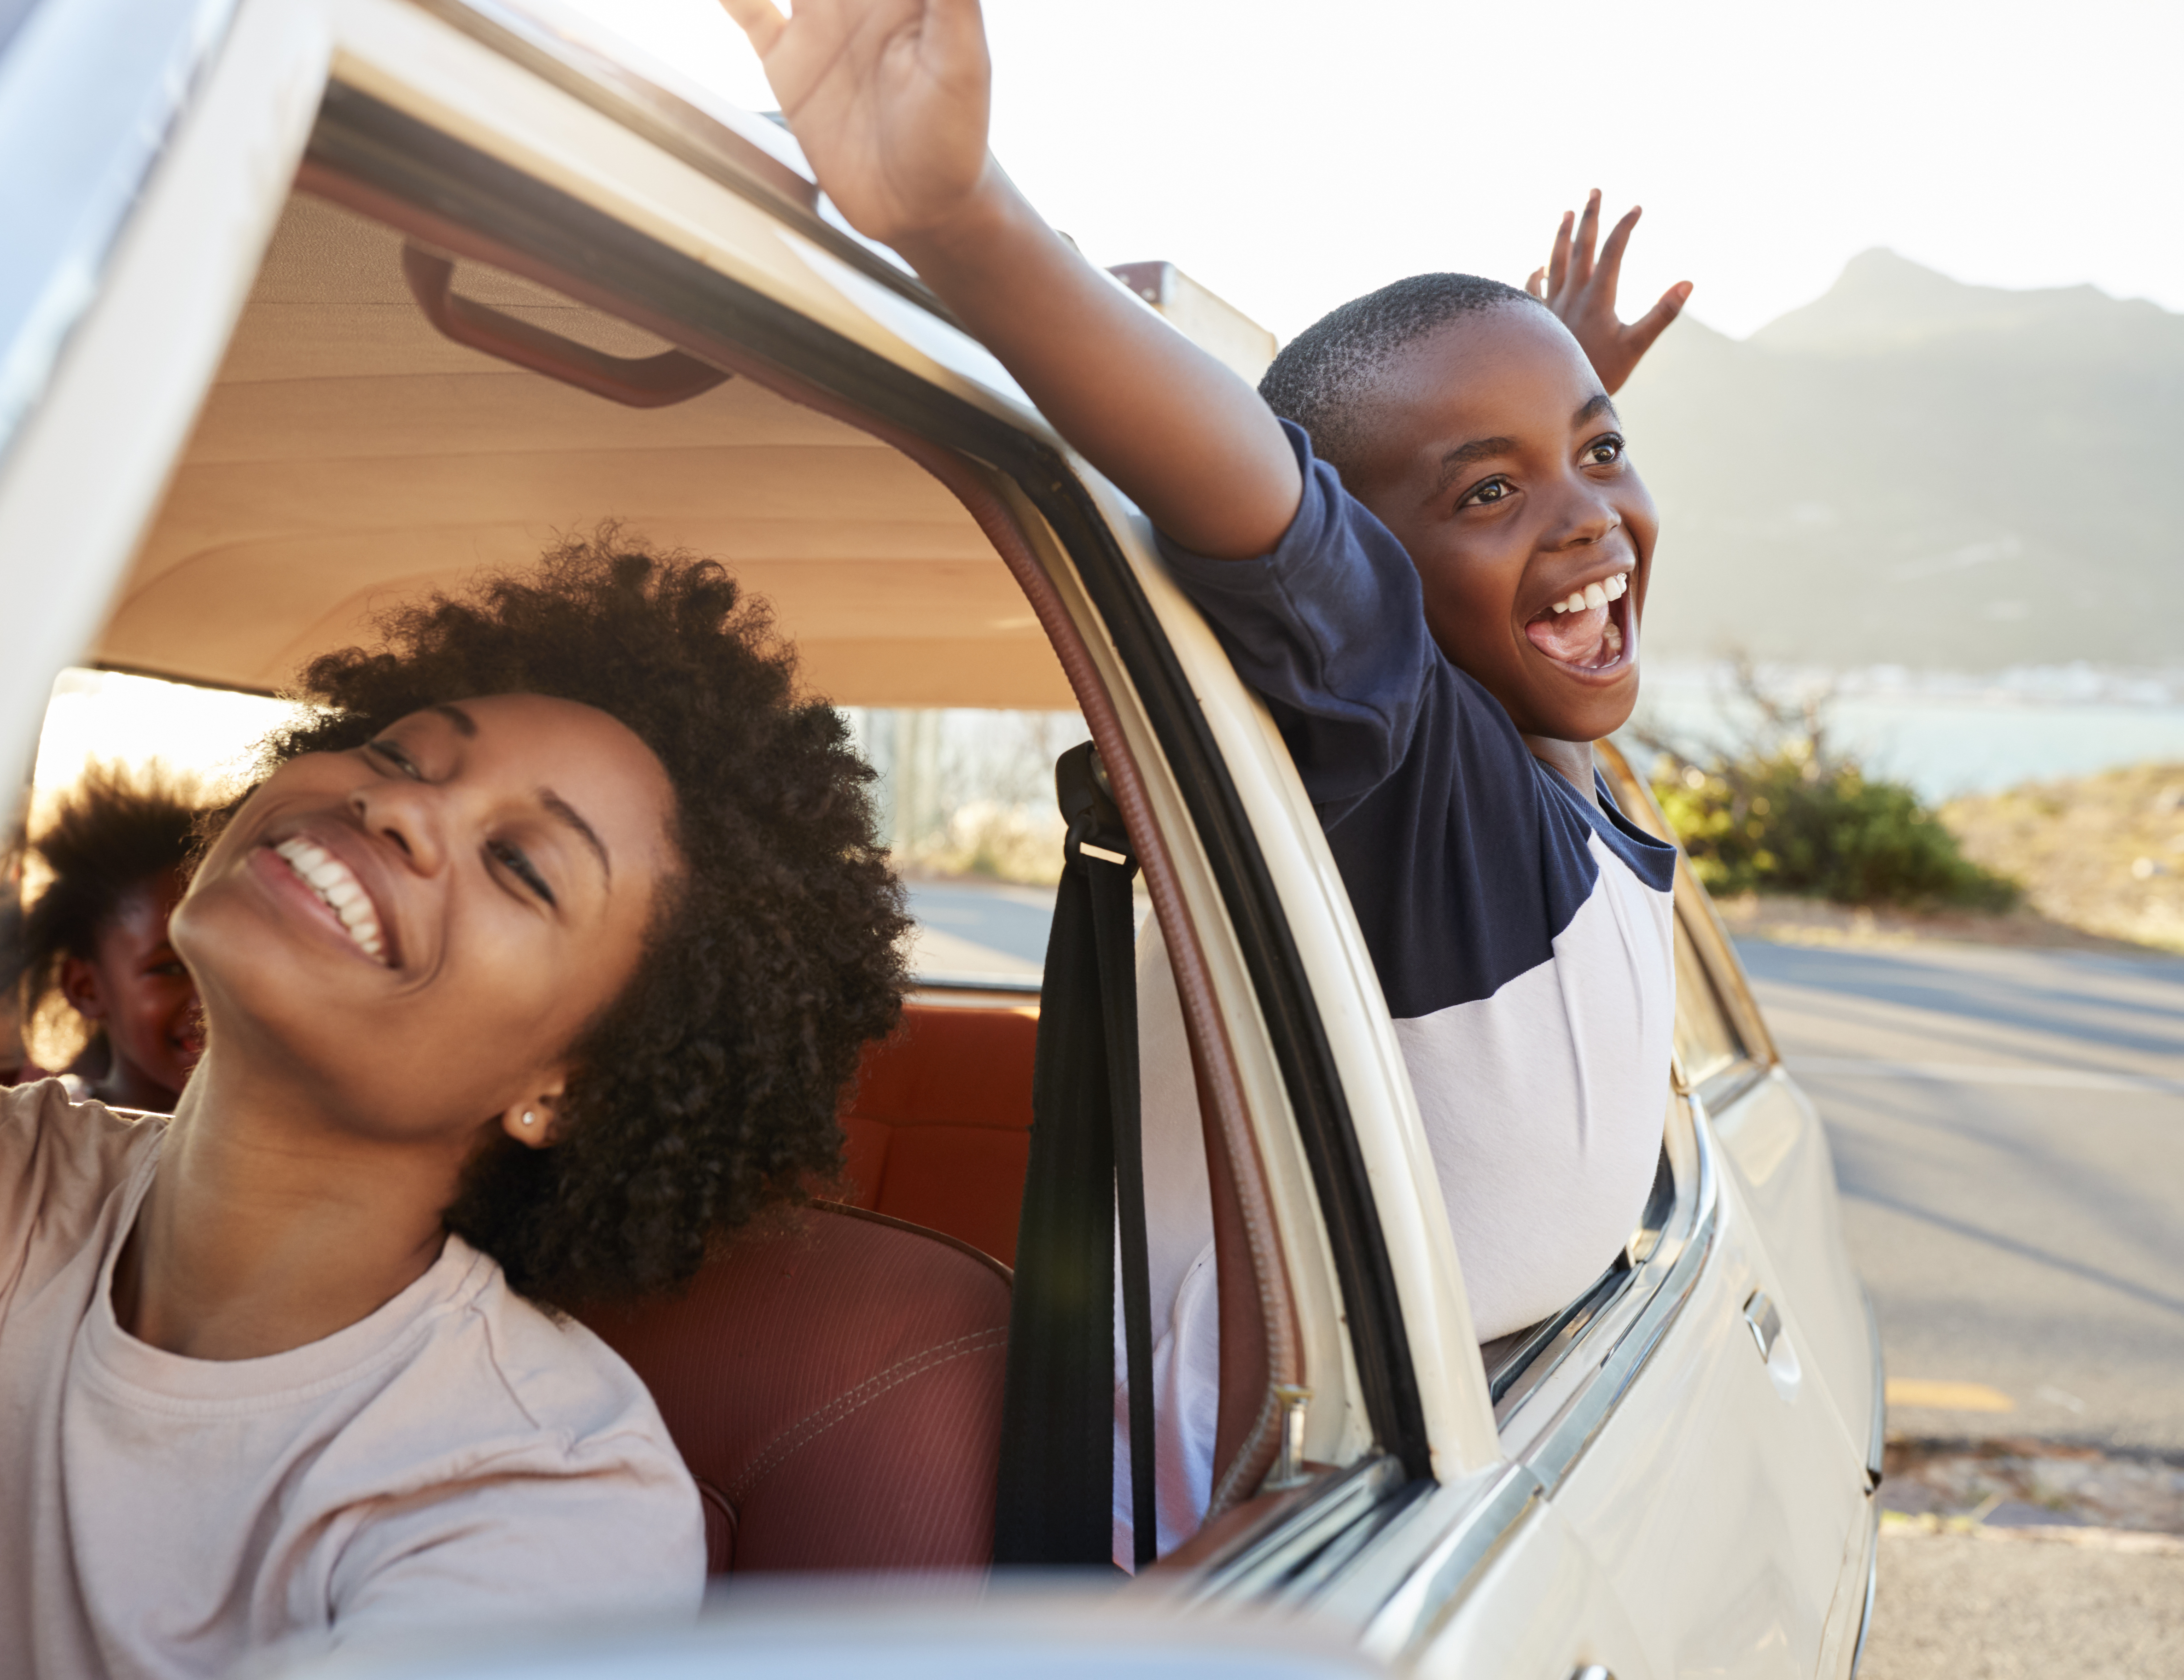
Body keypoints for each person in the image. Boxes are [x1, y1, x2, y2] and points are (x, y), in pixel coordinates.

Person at [722, 0, 1691, 1556]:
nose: (1589, 519)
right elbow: (1281, 523)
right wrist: (966, 225)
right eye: (1492, 488)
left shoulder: (1532, 766)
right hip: (1220, 1559)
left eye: (1603, 446)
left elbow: (1548, 669)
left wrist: (1538, 368)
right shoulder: (1415, 778)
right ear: (1366, 571)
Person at [0, 538, 910, 1679]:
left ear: (571, 1089)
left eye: (521, 864)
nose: (399, 807)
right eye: (400, 753)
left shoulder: (547, 1491)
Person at [20, 764, 208, 1111]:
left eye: (224, 964)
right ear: (86, 988)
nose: (210, 997)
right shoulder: (50, 1130)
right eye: (169, 969)